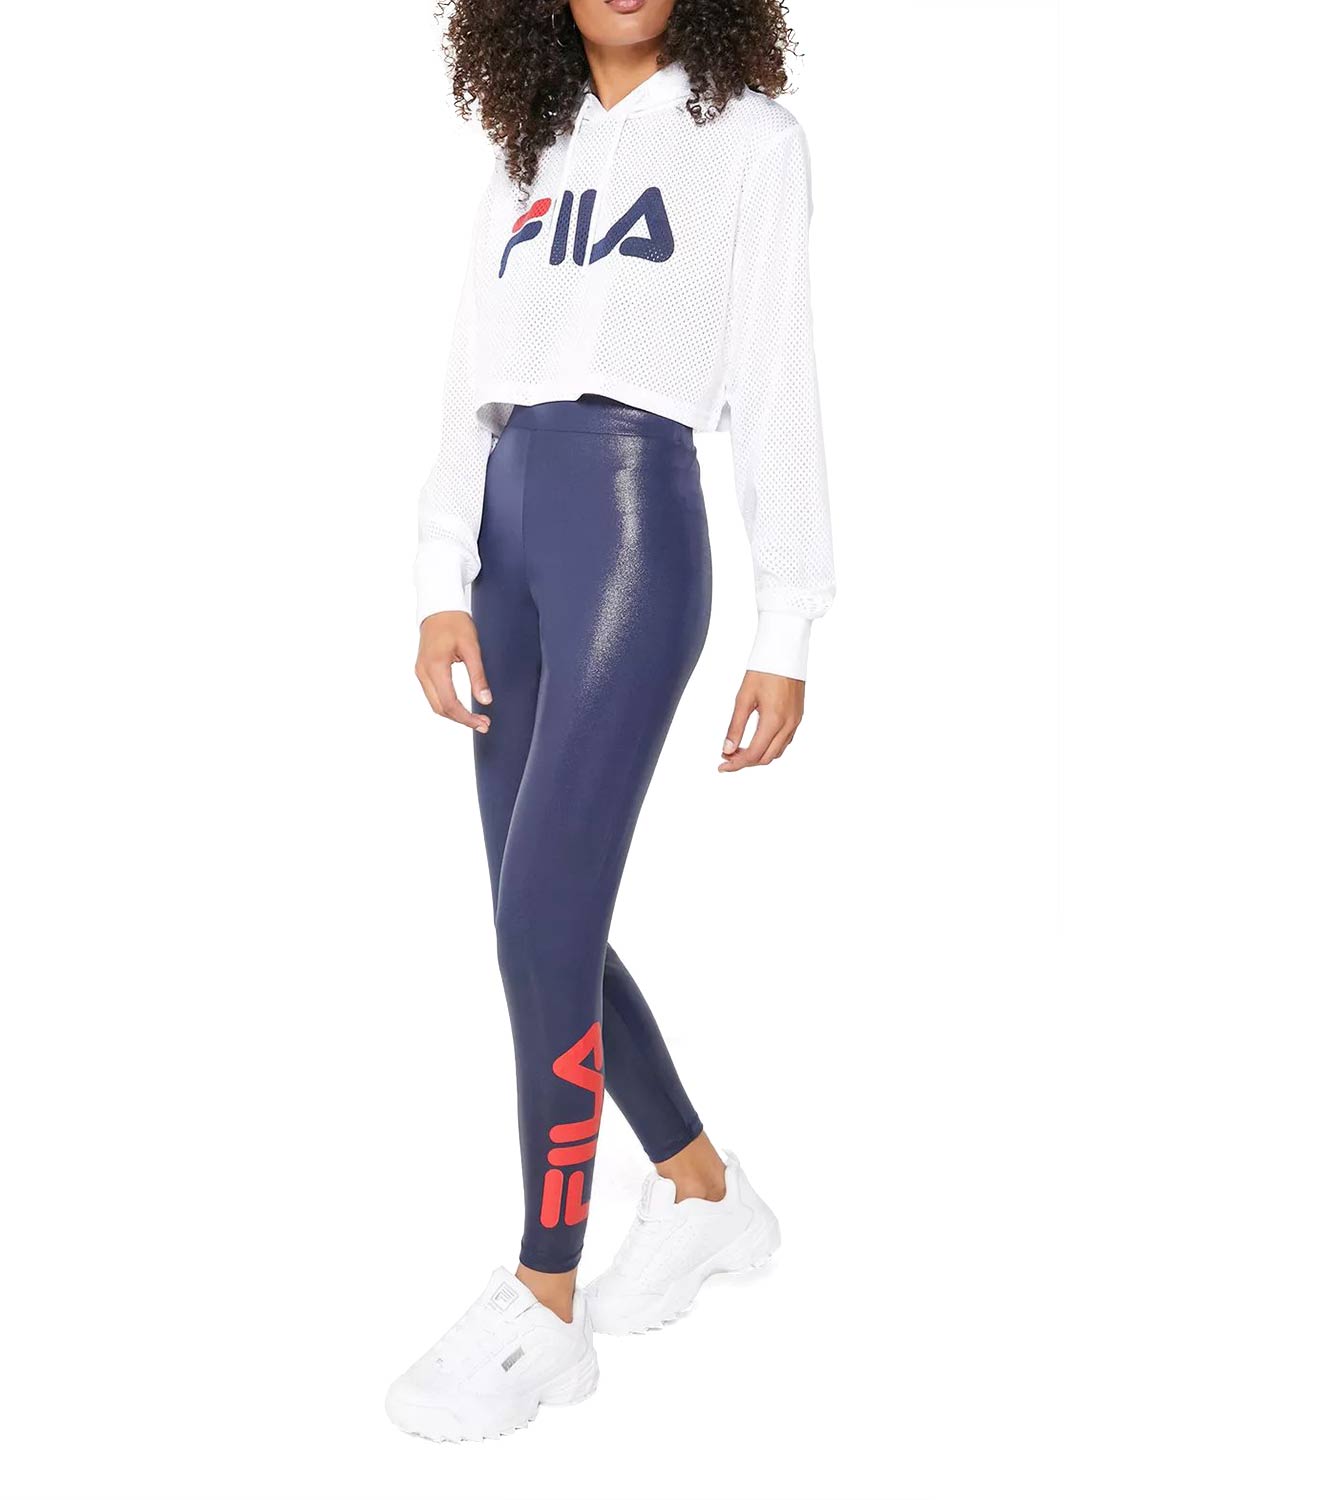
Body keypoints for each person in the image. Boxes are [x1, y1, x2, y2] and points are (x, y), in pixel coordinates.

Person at [388, 0, 834, 1441]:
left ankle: (547, 1297)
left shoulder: (748, 141)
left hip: (634, 529)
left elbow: (778, 386)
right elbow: (466, 387)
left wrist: (786, 623)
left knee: (540, 924)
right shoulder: (526, 150)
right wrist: (440, 582)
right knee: (542, 922)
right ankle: (702, 1191)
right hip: (508, 545)